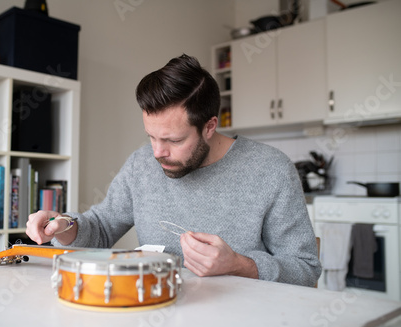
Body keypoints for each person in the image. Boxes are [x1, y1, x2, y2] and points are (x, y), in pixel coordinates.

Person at [26, 54, 321, 286]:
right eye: (151, 137)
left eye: (174, 140)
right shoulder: (142, 164)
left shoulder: (271, 170)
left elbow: (306, 269)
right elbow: (101, 229)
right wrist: (62, 226)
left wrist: (240, 265)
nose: (157, 152)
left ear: (209, 127)